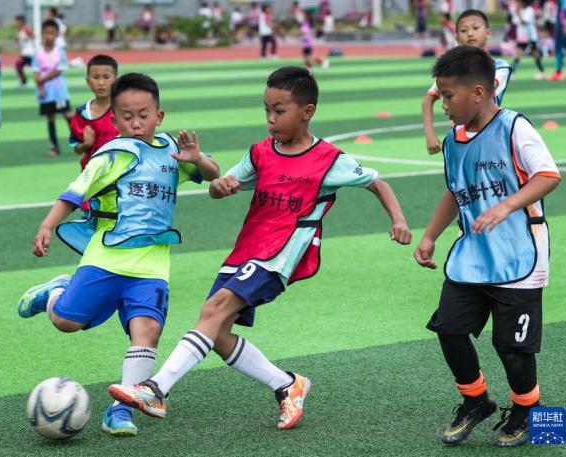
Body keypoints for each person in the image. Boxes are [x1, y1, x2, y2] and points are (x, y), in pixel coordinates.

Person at [107, 66, 412, 430]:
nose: (270, 119)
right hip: (246, 250)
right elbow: (219, 185)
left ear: (307, 111)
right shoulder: (261, 153)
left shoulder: (329, 159)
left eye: (279, 111)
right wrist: (220, 187)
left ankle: (156, 389)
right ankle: (286, 384)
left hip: (279, 256)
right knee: (217, 333)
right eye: (266, 110)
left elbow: (377, 182)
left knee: (213, 310)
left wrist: (398, 219)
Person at [17, 72, 220, 437]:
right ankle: (55, 292)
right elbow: (74, 194)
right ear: (114, 119)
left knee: (148, 331)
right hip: (106, 258)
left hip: (152, 264)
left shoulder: (172, 150)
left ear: (159, 115)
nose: (136, 123)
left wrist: (197, 158)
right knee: (66, 322)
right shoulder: (111, 155)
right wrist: (47, 225)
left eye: (143, 114)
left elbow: (211, 173)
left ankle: (121, 410)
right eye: (127, 116)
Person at [415, 46, 561, 447]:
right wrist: (430, 235)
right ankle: (476, 400)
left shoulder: (515, 127)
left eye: (448, 96)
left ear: (479, 92)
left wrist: (506, 206)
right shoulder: (453, 140)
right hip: (472, 255)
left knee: (512, 348)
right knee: (449, 328)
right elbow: (454, 190)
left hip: (520, 256)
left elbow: (548, 175)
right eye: (440, 97)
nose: (443, 105)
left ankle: (529, 411)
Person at [422, 10, 513, 155]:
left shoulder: (500, 67)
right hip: (459, 136)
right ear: (457, 38)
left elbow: (484, 86)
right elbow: (429, 98)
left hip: (489, 134)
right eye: (464, 30)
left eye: (475, 28)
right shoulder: (453, 70)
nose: (470, 33)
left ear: (488, 33)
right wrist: (430, 134)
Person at [69, 54, 119, 212]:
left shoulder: (124, 110)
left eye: (106, 77)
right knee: (91, 219)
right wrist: (86, 144)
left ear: (116, 80)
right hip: (92, 181)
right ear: (88, 81)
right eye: (96, 77)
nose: (101, 82)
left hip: (121, 180)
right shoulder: (83, 113)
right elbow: (75, 147)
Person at [32, 18, 73, 157]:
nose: (49, 36)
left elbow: (59, 70)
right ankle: (54, 146)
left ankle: (79, 141)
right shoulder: (37, 53)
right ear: (42, 34)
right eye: (46, 32)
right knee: (50, 118)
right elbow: (36, 72)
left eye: (52, 33)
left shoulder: (60, 52)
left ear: (56, 35)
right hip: (46, 93)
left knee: (67, 115)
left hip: (59, 92)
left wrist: (43, 79)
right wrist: (41, 89)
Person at [511, 0, 546, 79]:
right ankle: (512, 73)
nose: (517, 3)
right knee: (518, 53)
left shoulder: (530, 10)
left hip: (530, 36)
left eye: (519, 2)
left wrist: (518, 13)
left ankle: (542, 72)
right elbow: (515, 21)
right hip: (521, 36)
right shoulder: (517, 10)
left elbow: (524, 21)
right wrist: (517, 12)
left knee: (535, 54)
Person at [14, 15, 35, 88]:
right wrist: (17, 39)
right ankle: (24, 82)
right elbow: (18, 41)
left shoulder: (25, 29)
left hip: (28, 52)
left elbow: (33, 35)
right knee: (35, 67)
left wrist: (27, 38)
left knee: (18, 65)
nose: (15, 23)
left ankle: (24, 82)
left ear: (21, 22)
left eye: (16, 22)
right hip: (26, 52)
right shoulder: (20, 31)